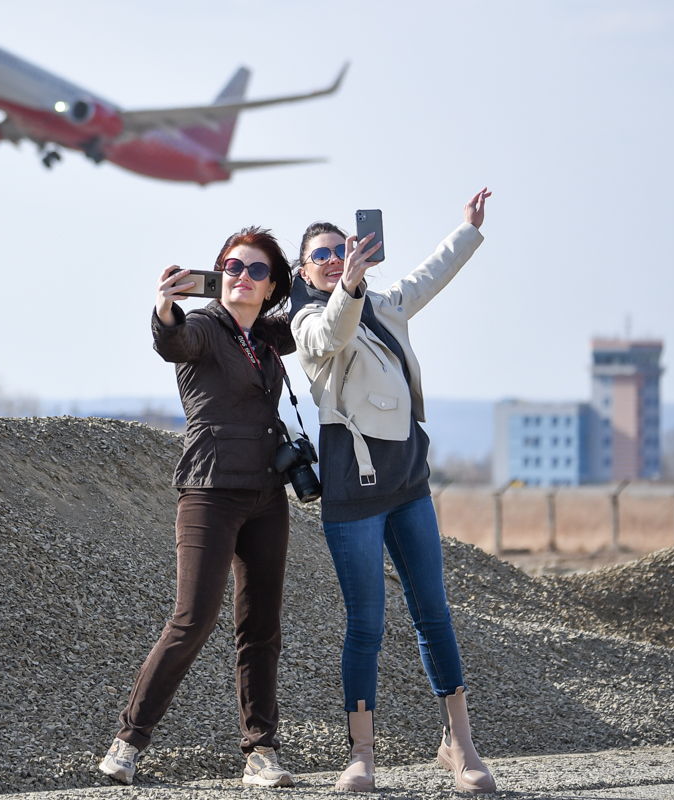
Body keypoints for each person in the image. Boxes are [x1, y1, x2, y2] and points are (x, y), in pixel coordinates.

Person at [289, 189, 497, 794]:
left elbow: (430, 276)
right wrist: (347, 288)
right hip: (353, 491)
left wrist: (466, 229)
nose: (333, 258)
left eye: (341, 249)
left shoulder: (387, 302)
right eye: (321, 255)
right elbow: (332, 335)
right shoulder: (306, 319)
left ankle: (458, 744)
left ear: (360, 252)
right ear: (304, 271)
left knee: (433, 611)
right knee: (367, 624)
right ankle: (361, 754)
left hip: (408, 480)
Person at [98, 226, 298, 788]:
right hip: (209, 491)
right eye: (232, 267)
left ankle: (261, 751)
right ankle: (129, 741)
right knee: (193, 618)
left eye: (256, 270)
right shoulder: (206, 329)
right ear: (218, 276)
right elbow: (173, 342)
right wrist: (164, 308)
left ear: (272, 284)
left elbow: (313, 325)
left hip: (266, 494)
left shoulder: (265, 336)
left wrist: (332, 277)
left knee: (261, 627)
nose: (242, 277)